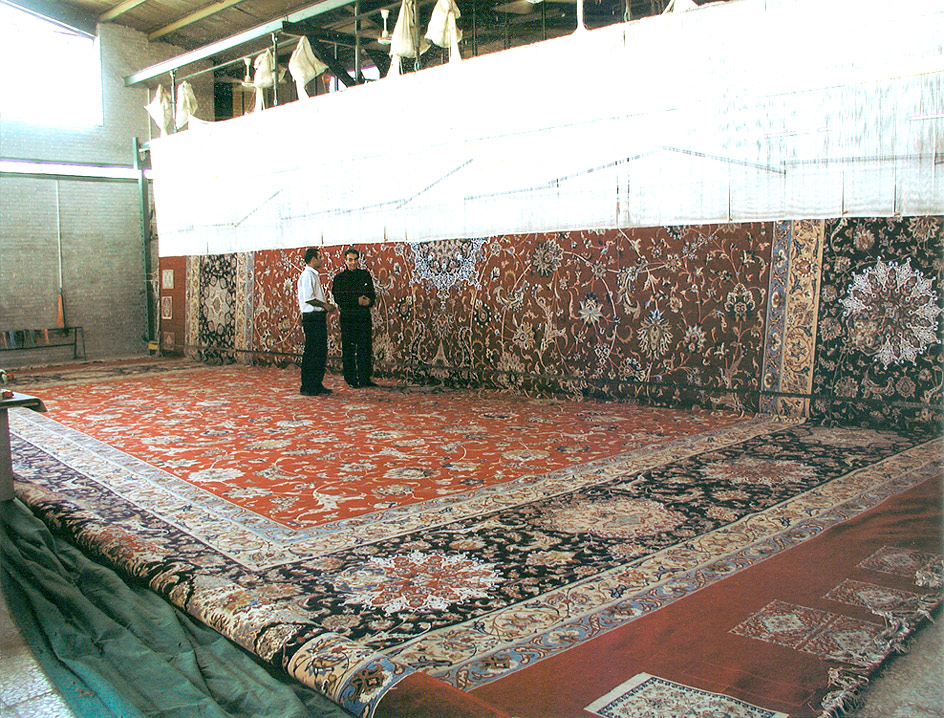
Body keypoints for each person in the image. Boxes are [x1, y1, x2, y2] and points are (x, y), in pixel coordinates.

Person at [331, 248, 377, 388]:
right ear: (345, 261)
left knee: (365, 347)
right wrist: (357, 301)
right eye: (350, 260)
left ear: (359, 260)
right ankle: (350, 378)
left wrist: (368, 301)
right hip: (348, 317)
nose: (353, 262)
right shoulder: (339, 278)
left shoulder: (364, 275)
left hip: (363, 317)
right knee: (349, 348)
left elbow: (372, 294)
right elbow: (339, 298)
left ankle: (364, 378)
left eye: (355, 259)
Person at [297, 247, 336, 396]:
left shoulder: (313, 275)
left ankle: (316, 384)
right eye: (319, 257)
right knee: (313, 352)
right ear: (313, 259)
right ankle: (308, 386)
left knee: (319, 351)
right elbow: (309, 298)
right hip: (312, 317)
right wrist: (325, 305)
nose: (321, 260)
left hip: (317, 317)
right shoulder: (307, 275)